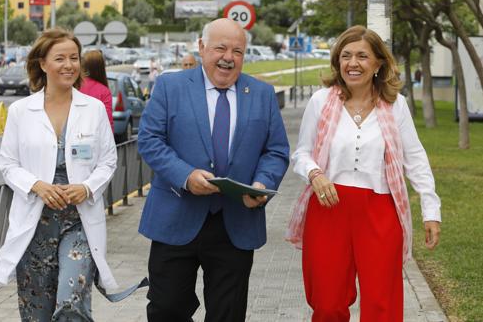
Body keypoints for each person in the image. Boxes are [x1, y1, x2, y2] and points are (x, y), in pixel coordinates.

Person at [138, 18, 290, 322]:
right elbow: (149, 140)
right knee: (166, 308)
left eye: (237, 51)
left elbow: (276, 151)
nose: (228, 57)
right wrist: (185, 175)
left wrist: (261, 185)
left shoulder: (261, 94)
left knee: (228, 314)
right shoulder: (170, 86)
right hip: (175, 217)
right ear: (201, 47)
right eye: (220, 48)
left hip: (235, 222)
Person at [0, 28, 146, 321]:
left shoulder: (94, 109)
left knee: (71, 301)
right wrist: (36, 185)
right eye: (59, 58)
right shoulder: (21, 111)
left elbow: (108, 160)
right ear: (42, 63)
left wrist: (86, 188)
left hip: (79, 222)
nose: (68, 65)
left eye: (74, 58)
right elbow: (8, 163)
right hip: (35, 223)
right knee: (37, 311)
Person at [287, 25, 441, 322]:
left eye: (362, 56)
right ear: (337, 61)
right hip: (329, 208)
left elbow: (415, 159)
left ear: (378, 64)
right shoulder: (321, 100)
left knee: (382, 305)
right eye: (345, 55)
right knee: (327, 303)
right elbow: (301, 153)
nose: (352, 63)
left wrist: (431, 210)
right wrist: (315, 174)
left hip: (379, 212)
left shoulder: (396, 105)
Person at [80, 50, 114, 131]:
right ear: (101, 68)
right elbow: (107, 122)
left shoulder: (73, 86)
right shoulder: (104, 91)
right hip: (95, 137)